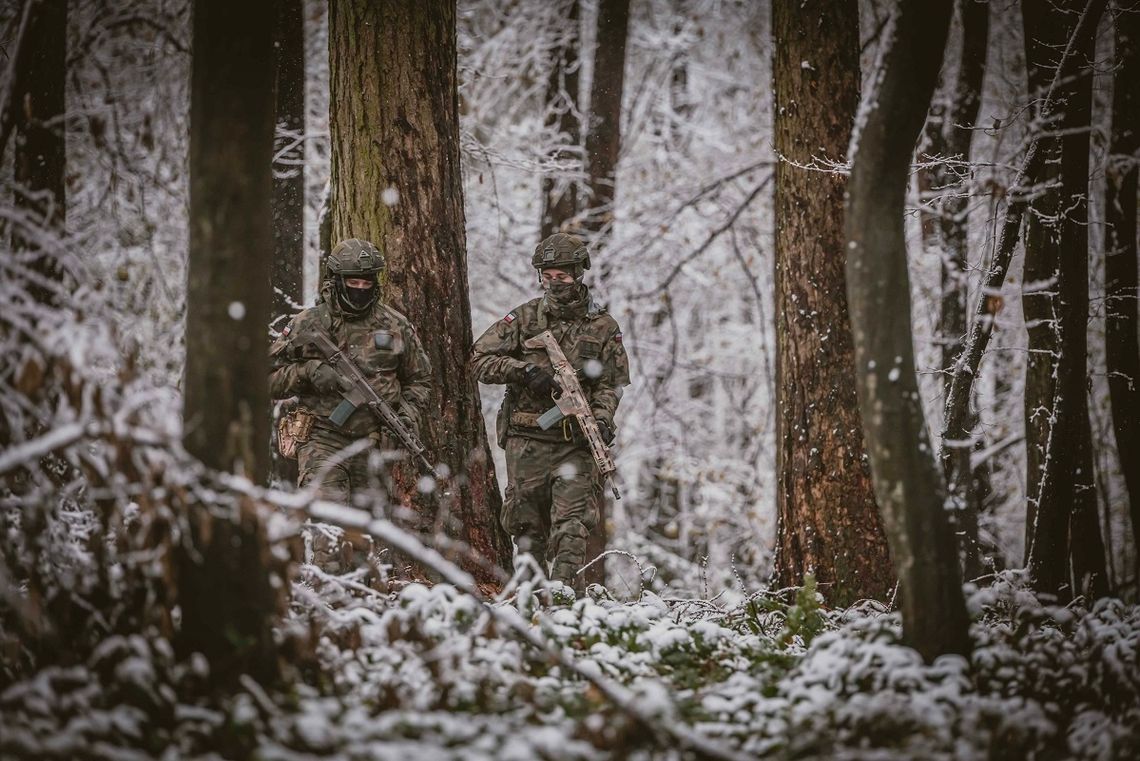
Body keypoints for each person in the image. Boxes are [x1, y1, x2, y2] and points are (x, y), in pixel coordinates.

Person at [471, 232, 630, 592]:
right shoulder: (524, 319)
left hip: (576, 443)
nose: (555, 283)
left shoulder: (603, 328)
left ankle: (561, 599)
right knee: (527, 527)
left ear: (579, 273)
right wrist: (524, 372)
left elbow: (611, 384)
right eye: (548, 276)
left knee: (572, 527)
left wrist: (602, 419)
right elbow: (479, 360)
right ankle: (529, 599)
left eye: (563, 276)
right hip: (527, 441)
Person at [269, 238, 431, 507]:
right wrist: (307, 371)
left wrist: (406, 412)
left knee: (366, 535)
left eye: (367, 283)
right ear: (337, 280)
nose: (360, 289)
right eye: (353, 283)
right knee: (328, 529)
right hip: (321, 437)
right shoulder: (308, 323)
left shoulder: (394, 324)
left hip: (374, 442)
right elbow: (265, 379)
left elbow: (420, 379)